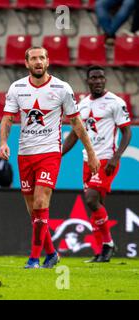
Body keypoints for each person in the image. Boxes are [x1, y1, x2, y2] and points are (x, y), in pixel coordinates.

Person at [0, 46, 101, 269]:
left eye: (42, 58)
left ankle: (34, 259)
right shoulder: (17, 88)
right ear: (26, 63)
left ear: (47, 61)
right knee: (33, 212)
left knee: (40, 202)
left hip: (49, 153)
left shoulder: (62, 88)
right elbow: (8, 118)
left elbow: (76, 123)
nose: (38, 62)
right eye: (34, 58)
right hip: (25, 154)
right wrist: (4, 142)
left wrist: (91, 153)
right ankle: (51, 253)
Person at [62, 65, 132, 263]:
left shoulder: (115, 102)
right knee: (96, 205)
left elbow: (127, 132)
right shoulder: (82, 105)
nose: (98, 81)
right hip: (88, 160)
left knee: (92, 200)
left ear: (105, 80)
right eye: (94, 78)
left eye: (101, 77)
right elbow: (75, 136)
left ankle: (108, 244)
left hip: (106, 160)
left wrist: (116, 156)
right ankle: (103, 249)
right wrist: (58, 155)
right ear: (88, 81)